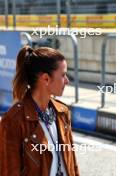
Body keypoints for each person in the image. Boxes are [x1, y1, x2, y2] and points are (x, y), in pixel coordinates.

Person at [0, 46, 79, 176]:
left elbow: (73, 166)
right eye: (63, 75)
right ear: (46, 79)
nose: (67, 81)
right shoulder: (13, 121)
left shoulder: (62, 112)